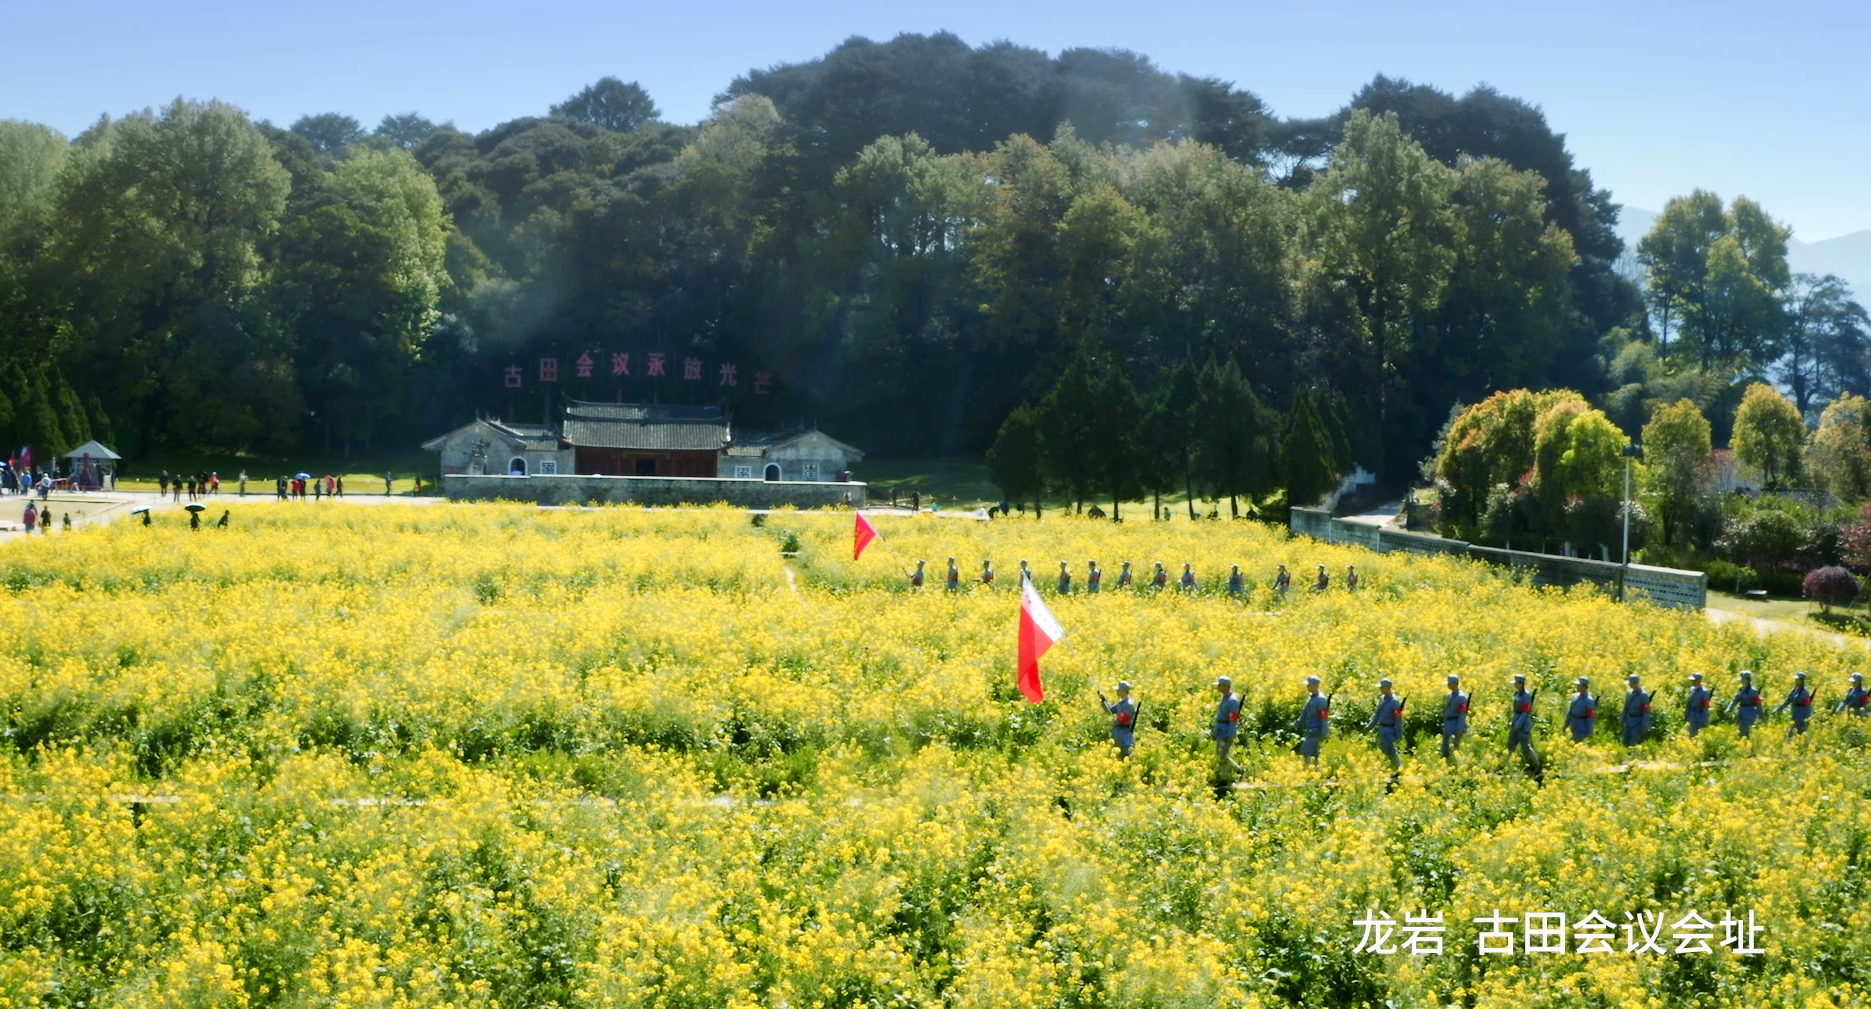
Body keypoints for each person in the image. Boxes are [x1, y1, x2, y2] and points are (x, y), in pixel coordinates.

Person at [1212, 676, 1243, 782]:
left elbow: (1233, 719)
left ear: (1225, 686)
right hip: (1220, 729)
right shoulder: (1224, 697)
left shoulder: (1232, 701)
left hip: (1226, 731)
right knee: (1221, 755)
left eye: (1219, 685)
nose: (1217, 687)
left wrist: (1230, 734)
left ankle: (1226, 778)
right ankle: (1236, 771)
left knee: (1222, 755)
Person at [1369, 678, 1404, 770]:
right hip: (1382, 728)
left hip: (1390, 729)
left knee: (1389, 750)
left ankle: (1395, 769)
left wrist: (1399, 733)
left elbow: (1398, 719)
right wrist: (1369, 726)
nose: (1380, 689)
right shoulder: (1382, 699)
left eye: (1382, 687)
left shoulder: (1394, 702)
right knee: (1386, 750)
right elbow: (1377, 714)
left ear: (1388, 688)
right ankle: (1396, 768)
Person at [1293, 676, 1330, 764]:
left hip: (1316, 730)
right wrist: (1297, 723)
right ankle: (1315, 772)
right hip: (1310, 730)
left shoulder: (1321, 700)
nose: (1307, 687)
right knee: (1314, 753)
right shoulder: (1311, 697)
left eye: (1309, 685)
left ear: (1315, 686)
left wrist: (1324, 731)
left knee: (1305, 751)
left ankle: (1308, 771)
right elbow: (1305, 712)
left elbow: (1324, 717)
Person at [1099, 681, 1137, 757]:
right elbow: (1110, 711)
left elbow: (1123, 719)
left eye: (1118, 690)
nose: (1117, 691)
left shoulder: (1129, 704)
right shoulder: (1120, 702)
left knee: (1123, 755)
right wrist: (1104, 700)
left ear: (1123, 691)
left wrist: (1114, 720)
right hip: (1117, 732)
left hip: (1124, 733)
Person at [1507, 673, 1538, 767]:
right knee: (1511, 745)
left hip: (1522, 724)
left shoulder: (1526, 696)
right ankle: (1507, 765)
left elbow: (1525, 712)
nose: (1515, 685)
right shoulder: (1517, 693)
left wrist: (1519, 723)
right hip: (1515, 721)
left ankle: (1537, 765)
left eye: (1516, 683)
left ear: (1521, 683)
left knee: (1525, 747)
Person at [1774, 672, 1815, 740]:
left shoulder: (1805, 693)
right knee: (1791, 734)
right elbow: (1788, 700)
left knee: (1800, 735)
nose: (1796, 681)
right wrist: (1779, 708)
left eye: (1798, 679)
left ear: (1802, 681)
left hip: (1802, 716)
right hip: (1795, 715)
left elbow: (1807, 706)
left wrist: (1806, 719)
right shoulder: (1794, 690)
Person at [1726, 671, 1762, 738]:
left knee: (1747, 730)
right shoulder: (1740, 690)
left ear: (1747, 680)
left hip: (1750, 712)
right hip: (1741, 712)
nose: (1741, 681)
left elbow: (1758, 704)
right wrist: (1729, 708)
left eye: (1743, 680)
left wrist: (1762, 717)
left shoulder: (1753, 691)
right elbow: (1735, 700)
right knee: (1740, 730)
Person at [1441, 674, 1468, 760]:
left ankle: (1455, 762)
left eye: (1449, 683)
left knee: (1455, 745)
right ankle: (1446, 759)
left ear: (1455, 684)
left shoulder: (1461, 697)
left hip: (1456, 722)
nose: (1448, 685)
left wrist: (1459, 728)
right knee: (1445, 744)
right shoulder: (1450, 695)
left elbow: (1462, 714)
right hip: (1448, 722)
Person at [1621, 673, 1651, 747]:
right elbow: (1626, 707)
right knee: (1625, 742)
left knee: (1633, 743)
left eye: (1631, 683)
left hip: (1638, 721)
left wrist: (1644, 724)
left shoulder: (1643, 695)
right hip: (1629, 720)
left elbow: (1646, 711)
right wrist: (1622, 718)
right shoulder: (1629, 693)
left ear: (1635, 683)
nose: (1630, 685)